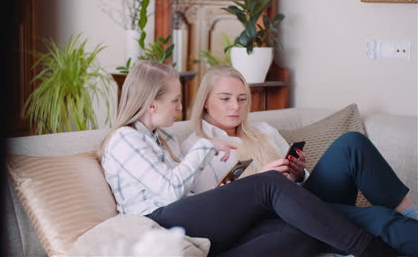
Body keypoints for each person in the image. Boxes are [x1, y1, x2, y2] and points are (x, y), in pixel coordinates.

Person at [97, 60, 399, 257]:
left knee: (302, 231)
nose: (178, 108)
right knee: (267, 184)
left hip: (186, 220)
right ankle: (372, 251)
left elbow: (187, 195)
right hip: (158, 222)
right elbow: (169, 192)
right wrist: (207, 146)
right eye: (175, 100)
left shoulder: (162, 137)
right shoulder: (126, 138)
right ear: (151, 104)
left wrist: (220, 195)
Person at [181, 65, 418, 256]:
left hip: (301, 202)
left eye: (242, 99)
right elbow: (208, 211)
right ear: (205, 101)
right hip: (268, 221)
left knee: (351, 144)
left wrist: (297, 173)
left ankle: (411, 215)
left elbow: (296, 185)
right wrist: (260, 181)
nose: (236, 106)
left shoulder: (263, 130)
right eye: (225, 99)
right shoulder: (196, 146)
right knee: (378, 218)